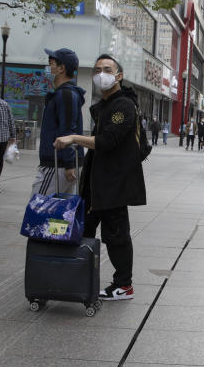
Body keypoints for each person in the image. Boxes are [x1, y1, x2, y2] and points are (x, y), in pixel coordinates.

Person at [55, 54, 146, 301]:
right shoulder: (104, 105)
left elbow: (107, 141)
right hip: (95, 183)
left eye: (107, 69)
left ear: (119, 75)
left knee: (116, 235)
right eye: (97, 70)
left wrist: (74, 138)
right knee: (84, 230)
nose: (101, 74)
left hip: (114, 184)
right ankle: (78, 277)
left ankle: (123, 285)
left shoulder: (124, 106)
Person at [33, 48, 85, 196]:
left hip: (58, 165)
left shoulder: (66, 95)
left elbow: (68, 130)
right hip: (59, 164)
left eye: (51, 64)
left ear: (62, 68)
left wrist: (69, 164)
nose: (48, 68)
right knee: (56, 216)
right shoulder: (63, 94)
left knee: (38, 208)